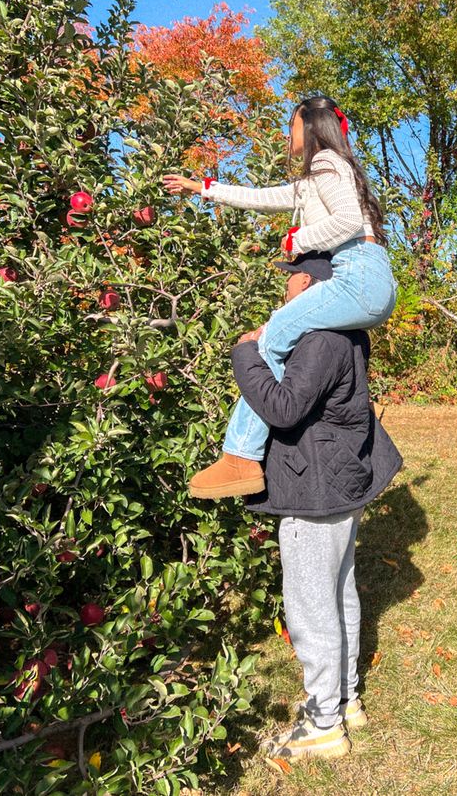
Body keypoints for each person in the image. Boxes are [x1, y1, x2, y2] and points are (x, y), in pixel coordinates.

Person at [188, 251, 402, 760]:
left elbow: (283, 409)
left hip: (317, 489)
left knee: (311, 606)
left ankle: (324, 721)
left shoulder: (318, 340)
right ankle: (346, 699)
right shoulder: (346, 332)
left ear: (305, 282)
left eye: (290, 282)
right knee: (338, 590)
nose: (285, 291)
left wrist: (245, 355)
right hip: (342, 479)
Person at [162, 96, 398, 499]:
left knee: (271, 337)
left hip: (358, 275)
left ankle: (241, 457)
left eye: (291, 126)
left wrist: (298, 238)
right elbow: (262, 197)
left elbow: (343, 222)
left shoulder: (326, 163)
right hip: (368, 276)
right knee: (293, 337)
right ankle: (249, 456)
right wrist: (203, 188)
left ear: (310, 126)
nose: (287, 135)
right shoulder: (322, 176)